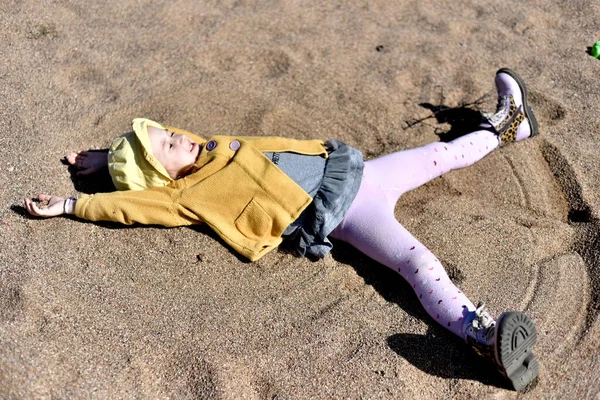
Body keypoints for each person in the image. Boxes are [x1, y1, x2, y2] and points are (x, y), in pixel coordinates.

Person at [24, 68, 539, 390]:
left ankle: (509, 123)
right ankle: (484, 335)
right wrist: (74, 203)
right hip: (351, 215)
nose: (179, 136)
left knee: (441, 155)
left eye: (169, 132)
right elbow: (135, 208)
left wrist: (103, 154)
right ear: (163, 178)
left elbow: (156, 153)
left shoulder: (211, 146)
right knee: (416, 263)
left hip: (360, 172)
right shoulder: (187, 195)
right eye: (168, 146)